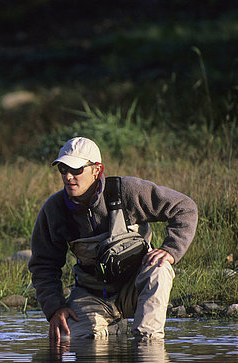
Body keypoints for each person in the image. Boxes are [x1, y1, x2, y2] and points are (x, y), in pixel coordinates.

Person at [28, 137, 198, 342]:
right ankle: (113, 327)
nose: (68, 176)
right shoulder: (54, 209)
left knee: (159, 270)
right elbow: (43, 266)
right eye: (63, 169)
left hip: (134, 289)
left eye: (76, 169)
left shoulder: (127, 191)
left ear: (97, 170)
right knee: (65, 339)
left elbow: (185, 208)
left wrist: (171, 250)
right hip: (91, 295)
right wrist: (55, 308)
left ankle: (149, 344)